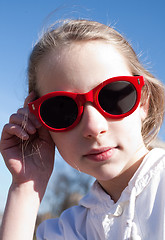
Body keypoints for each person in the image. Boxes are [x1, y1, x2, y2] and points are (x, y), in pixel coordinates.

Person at [0, 19, 165, 240]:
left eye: (113, 96)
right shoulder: (69, 230)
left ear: (143, 101)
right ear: (40, 122)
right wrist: (26, 187)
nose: (93, 127)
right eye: (61, 109)